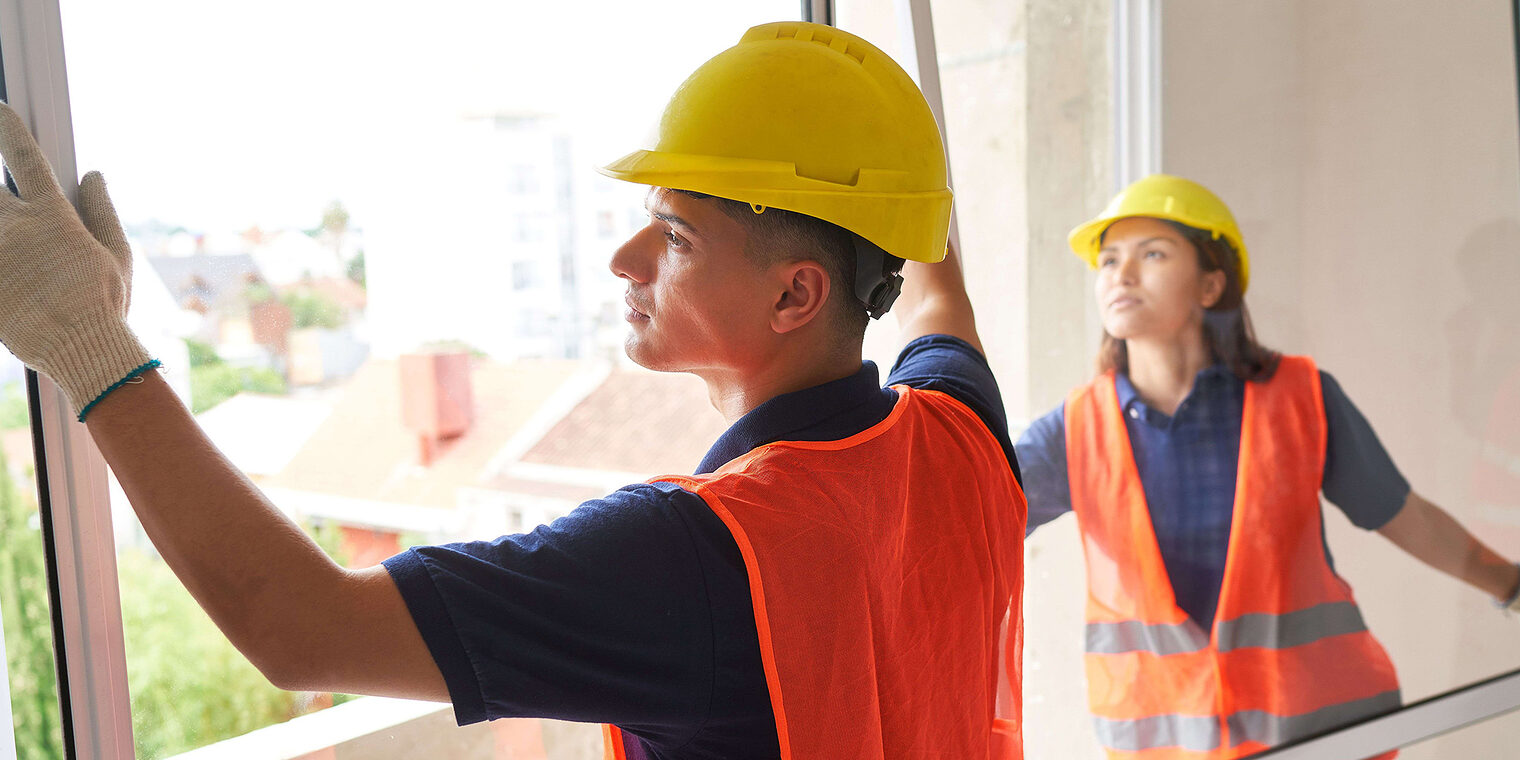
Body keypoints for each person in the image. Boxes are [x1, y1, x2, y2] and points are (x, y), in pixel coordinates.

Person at [0, 21, 1027, 760]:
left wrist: (92, 342)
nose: (626, 257)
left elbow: (299, 624)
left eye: (673, 237)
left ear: (797, 293)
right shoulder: (957, 433)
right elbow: (939, 299)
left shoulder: (699, 558)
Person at [1015, 173, 1520, 760]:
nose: (1120, 275)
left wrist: (1511, 585)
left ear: (1211, 285)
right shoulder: (1074, 431)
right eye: (1107, 260)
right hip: (1172, 749)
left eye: (1152, 254)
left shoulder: (1301, 398)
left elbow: (1402, 516)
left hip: (1326, 736)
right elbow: (971, 527)